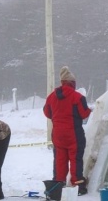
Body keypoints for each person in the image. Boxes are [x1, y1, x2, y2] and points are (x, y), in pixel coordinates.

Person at [43, 66, 91, 196]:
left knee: (60, 160)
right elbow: (84, 113)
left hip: (58, 135)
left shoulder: (51, 97)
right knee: (75, 159)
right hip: (74, 134)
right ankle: (78, 185)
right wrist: (90, 110)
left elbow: (47, 113)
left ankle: (58, 184)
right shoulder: (77, 97)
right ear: (72, 83)